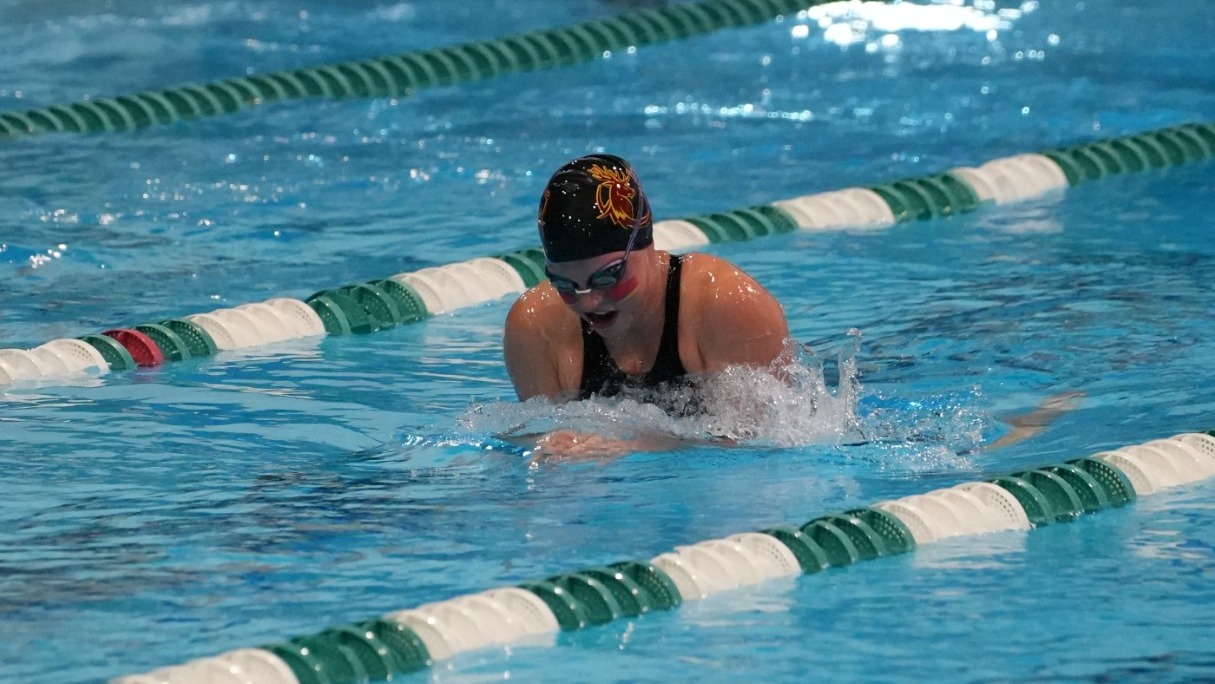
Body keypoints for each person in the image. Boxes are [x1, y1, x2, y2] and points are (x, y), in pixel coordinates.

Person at [503, 154, 791, 460]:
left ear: (645, 244)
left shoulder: (728, 305)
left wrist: (634, 448)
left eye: (607, 276)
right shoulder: (535, 327)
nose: (587, 301)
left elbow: (761, 449)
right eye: (564, 284)